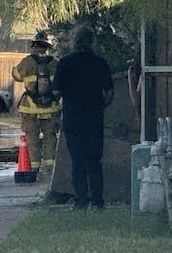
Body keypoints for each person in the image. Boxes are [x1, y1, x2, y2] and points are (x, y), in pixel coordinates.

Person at [53, 26, 114, 210]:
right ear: (91, 41)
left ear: (74, 41)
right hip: (94, 117)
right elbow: (110, 92)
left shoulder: (65, 63)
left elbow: (55, 92)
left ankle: (80, 201)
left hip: (72, 118)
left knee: (77, 161)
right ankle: (97, 201)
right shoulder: (99, 63)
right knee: (94, 160)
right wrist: (101, 106)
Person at [12, 30, 61, 172]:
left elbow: (16, 75)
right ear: (47, 47)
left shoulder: (27, 62)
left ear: (34, 45)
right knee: (50, 139)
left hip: (30, 109)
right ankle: (49, 170)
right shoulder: (55, 63)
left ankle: (34, 170)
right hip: (51, 108)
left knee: (32, 140)